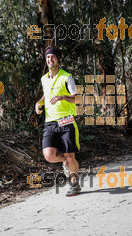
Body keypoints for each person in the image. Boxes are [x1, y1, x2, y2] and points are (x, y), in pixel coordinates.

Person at [35, 46, 81, 196]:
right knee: (48, 155)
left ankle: (74, 184)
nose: (50, 59)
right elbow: (46, 94)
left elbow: (77, 98)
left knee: (70, 155)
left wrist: (62, 97)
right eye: (48, 57)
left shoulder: (67, 77)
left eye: (53, 57)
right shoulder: (44, 79)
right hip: (50, 123)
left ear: (58, 59)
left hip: (66, 122)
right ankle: (64, 162)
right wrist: (39, 103)